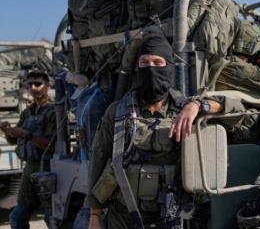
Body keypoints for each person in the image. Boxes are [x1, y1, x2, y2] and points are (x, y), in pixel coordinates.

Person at [86, 30, 231, 229]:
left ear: (169, 67)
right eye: (144, 63)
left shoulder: (185, 108)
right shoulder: (118, 111)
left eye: (157, 63)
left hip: (170, 216)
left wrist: (198, 105)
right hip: (123, 217)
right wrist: (94, 216)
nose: (150, 69)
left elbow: (233, 105)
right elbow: (98, 157)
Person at [1, 70, 55, 229]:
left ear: (47, 86)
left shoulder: (53, 112)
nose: (34, 87)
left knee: (52, 216)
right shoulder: (27, 113)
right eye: (30, 84)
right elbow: (13, 140)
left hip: (48, 167)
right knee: (17, 216)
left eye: (38, 84)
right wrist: (7, 131)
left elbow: (51, 145)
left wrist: (27, 134)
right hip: (30, 167)